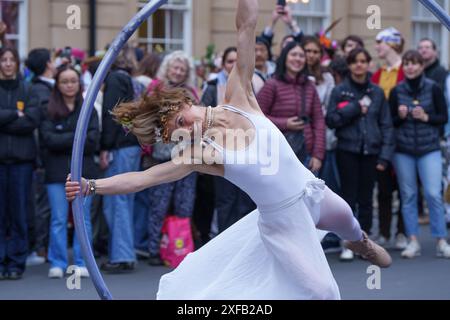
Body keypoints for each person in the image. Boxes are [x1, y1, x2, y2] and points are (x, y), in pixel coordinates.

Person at [66, 0, 391, 299]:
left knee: (349, 221)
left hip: (312, 192)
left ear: (187, 102)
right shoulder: (201, 154)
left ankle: (359, 242)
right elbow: (144, 178)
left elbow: (246, 26)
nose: (184, 129)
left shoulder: (239, 98)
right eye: (175, 132)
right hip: (283, 222)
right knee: (323, 292)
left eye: (181, 119)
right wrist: (91, 185)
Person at [326, 48, 395, 261]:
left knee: (366, 199)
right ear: (349, 65)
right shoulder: (340, 91)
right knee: (348, 199)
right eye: (355, 61)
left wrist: (384, 156)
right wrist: (354, 108)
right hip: (347, 150)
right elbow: (332, 120)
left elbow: (386, 125)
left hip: (370, 152)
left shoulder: (376, 92)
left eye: (363, 61)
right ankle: (347, 242)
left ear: (368, 64)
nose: (359, 65)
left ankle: (363, 243)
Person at [389, 50, 450, 259]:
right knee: (408, 196)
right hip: (403, 150)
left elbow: (442, 117)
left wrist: (425, 116)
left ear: (422, 66)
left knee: (433, 194)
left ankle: (441, 240)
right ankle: (412, 240)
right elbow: (390, 122)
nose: (410, 67)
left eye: (414, 63)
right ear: (403, 67)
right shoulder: (397, 91)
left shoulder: (433, 88)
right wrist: (399, 116)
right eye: (407, 63)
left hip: (429, 149)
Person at [40, 65, 99, 278]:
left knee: (82, 218)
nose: (69, 85)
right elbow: (48, 140)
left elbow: (92, 141)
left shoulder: (88, 108)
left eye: (73, 80)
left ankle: (83, 262)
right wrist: (75, 138)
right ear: (57, 84)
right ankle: (57, 261)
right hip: (56, 173)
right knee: (58, 218)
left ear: (79, 83)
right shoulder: (48, 109)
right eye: (64, 81)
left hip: (83, 173)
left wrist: (63, 136)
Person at [145, 50, 199, 266]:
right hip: (163, 156)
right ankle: (153, 250)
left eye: (182, 69)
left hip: (188, 156)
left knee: (184, 205)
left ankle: (180, 248)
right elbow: (147, 120)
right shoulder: (155, 90)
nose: (177, 72)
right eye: (174, 67)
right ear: (167, 68)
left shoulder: (192, 92)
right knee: (159, 204)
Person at [99, 45, 141, 273]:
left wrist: (105, 147)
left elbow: (111, 115)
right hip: (132, 144)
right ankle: (125, 251)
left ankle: (122, 255)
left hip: (120, 146)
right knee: (125, 200)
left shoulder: (115, 78)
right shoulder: (133, 80)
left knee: (117, 201)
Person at [0, 47, 40, 280]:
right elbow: (22, 120)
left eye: (10, 60)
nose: (6, 64)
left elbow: (32, 120)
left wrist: (5, 119)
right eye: (3, 60)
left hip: (21, 163)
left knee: (19, 214)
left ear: (17, 64)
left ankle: (16, 262)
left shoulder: (28, 89)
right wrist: (15, 114)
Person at [257, 41, 326, 175]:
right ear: (285, 58)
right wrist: (285, 123)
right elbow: (257, 117)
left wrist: (318, 155)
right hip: (277, 155)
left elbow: (319, 121)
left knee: (306, 195)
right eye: (293, 54)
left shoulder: (309, 86)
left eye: (301, 56)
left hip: (306, 154)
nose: (298, 59)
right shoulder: (272, 84)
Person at [371, 27, 407, 249]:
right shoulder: (377, 74)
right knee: (383, 189)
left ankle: (402, 232)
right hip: (382, 138)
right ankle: (384, 232)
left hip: (403, 137)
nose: (376, 47)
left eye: (379, 42)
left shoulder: (408, 70)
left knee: (405, 188)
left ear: (391, 44)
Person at [25, 48, 57, 265]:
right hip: (44, 156)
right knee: (43, 204)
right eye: (52, 60)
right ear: (47, 64)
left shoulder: (43, 88)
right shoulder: (41, 90)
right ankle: (39, 247)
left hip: (45, 155)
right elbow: (46, 121)